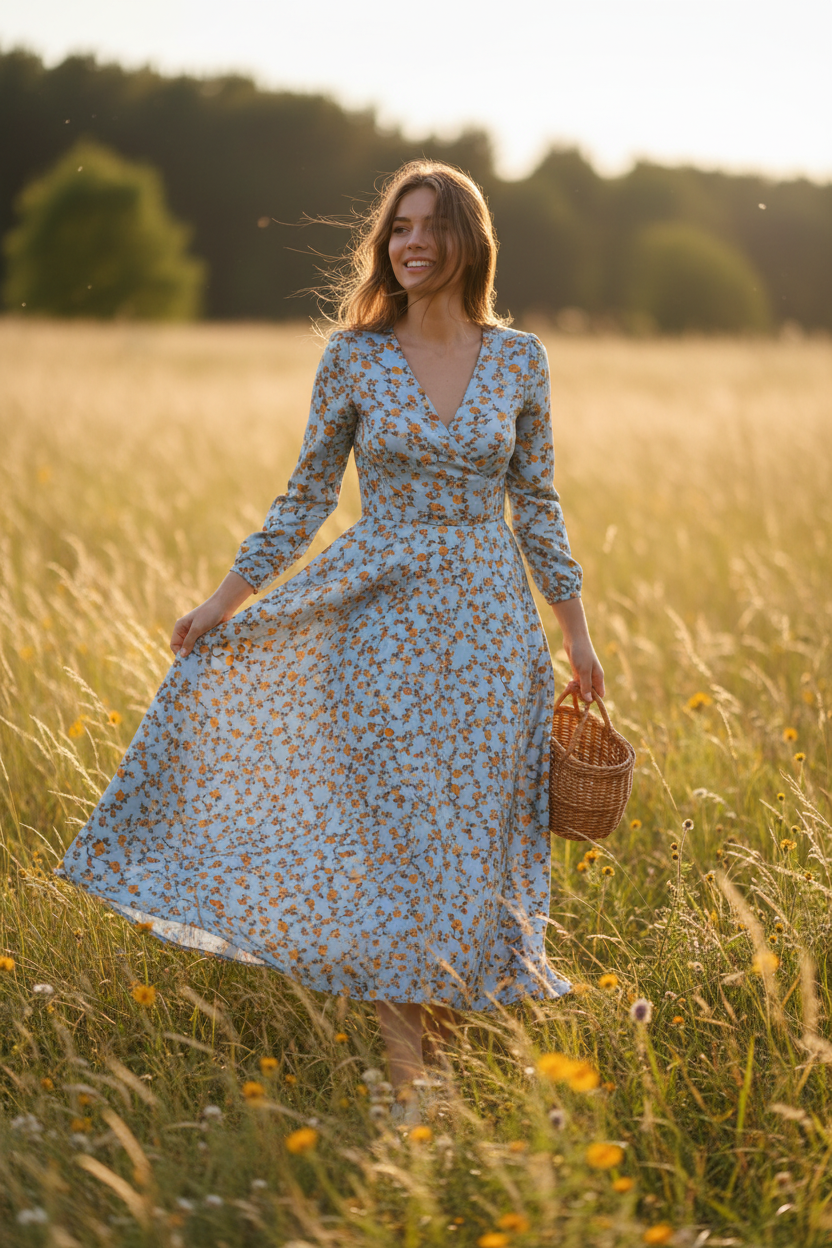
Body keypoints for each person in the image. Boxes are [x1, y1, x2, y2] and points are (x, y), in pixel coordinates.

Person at [57, 160, 604, 1123]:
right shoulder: (355, 357)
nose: (413, 242)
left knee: (471, 858)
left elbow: (539, 503)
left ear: (468, 240)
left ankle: (438, 1081)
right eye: (399, 227)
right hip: (380, 633)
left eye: (432, 225)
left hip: (489, 637)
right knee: (406, 856)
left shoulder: (520, 358)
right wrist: (222, 602)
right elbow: (306, 495)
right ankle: (411, 1097)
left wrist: (580, 640)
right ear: (385, 244)